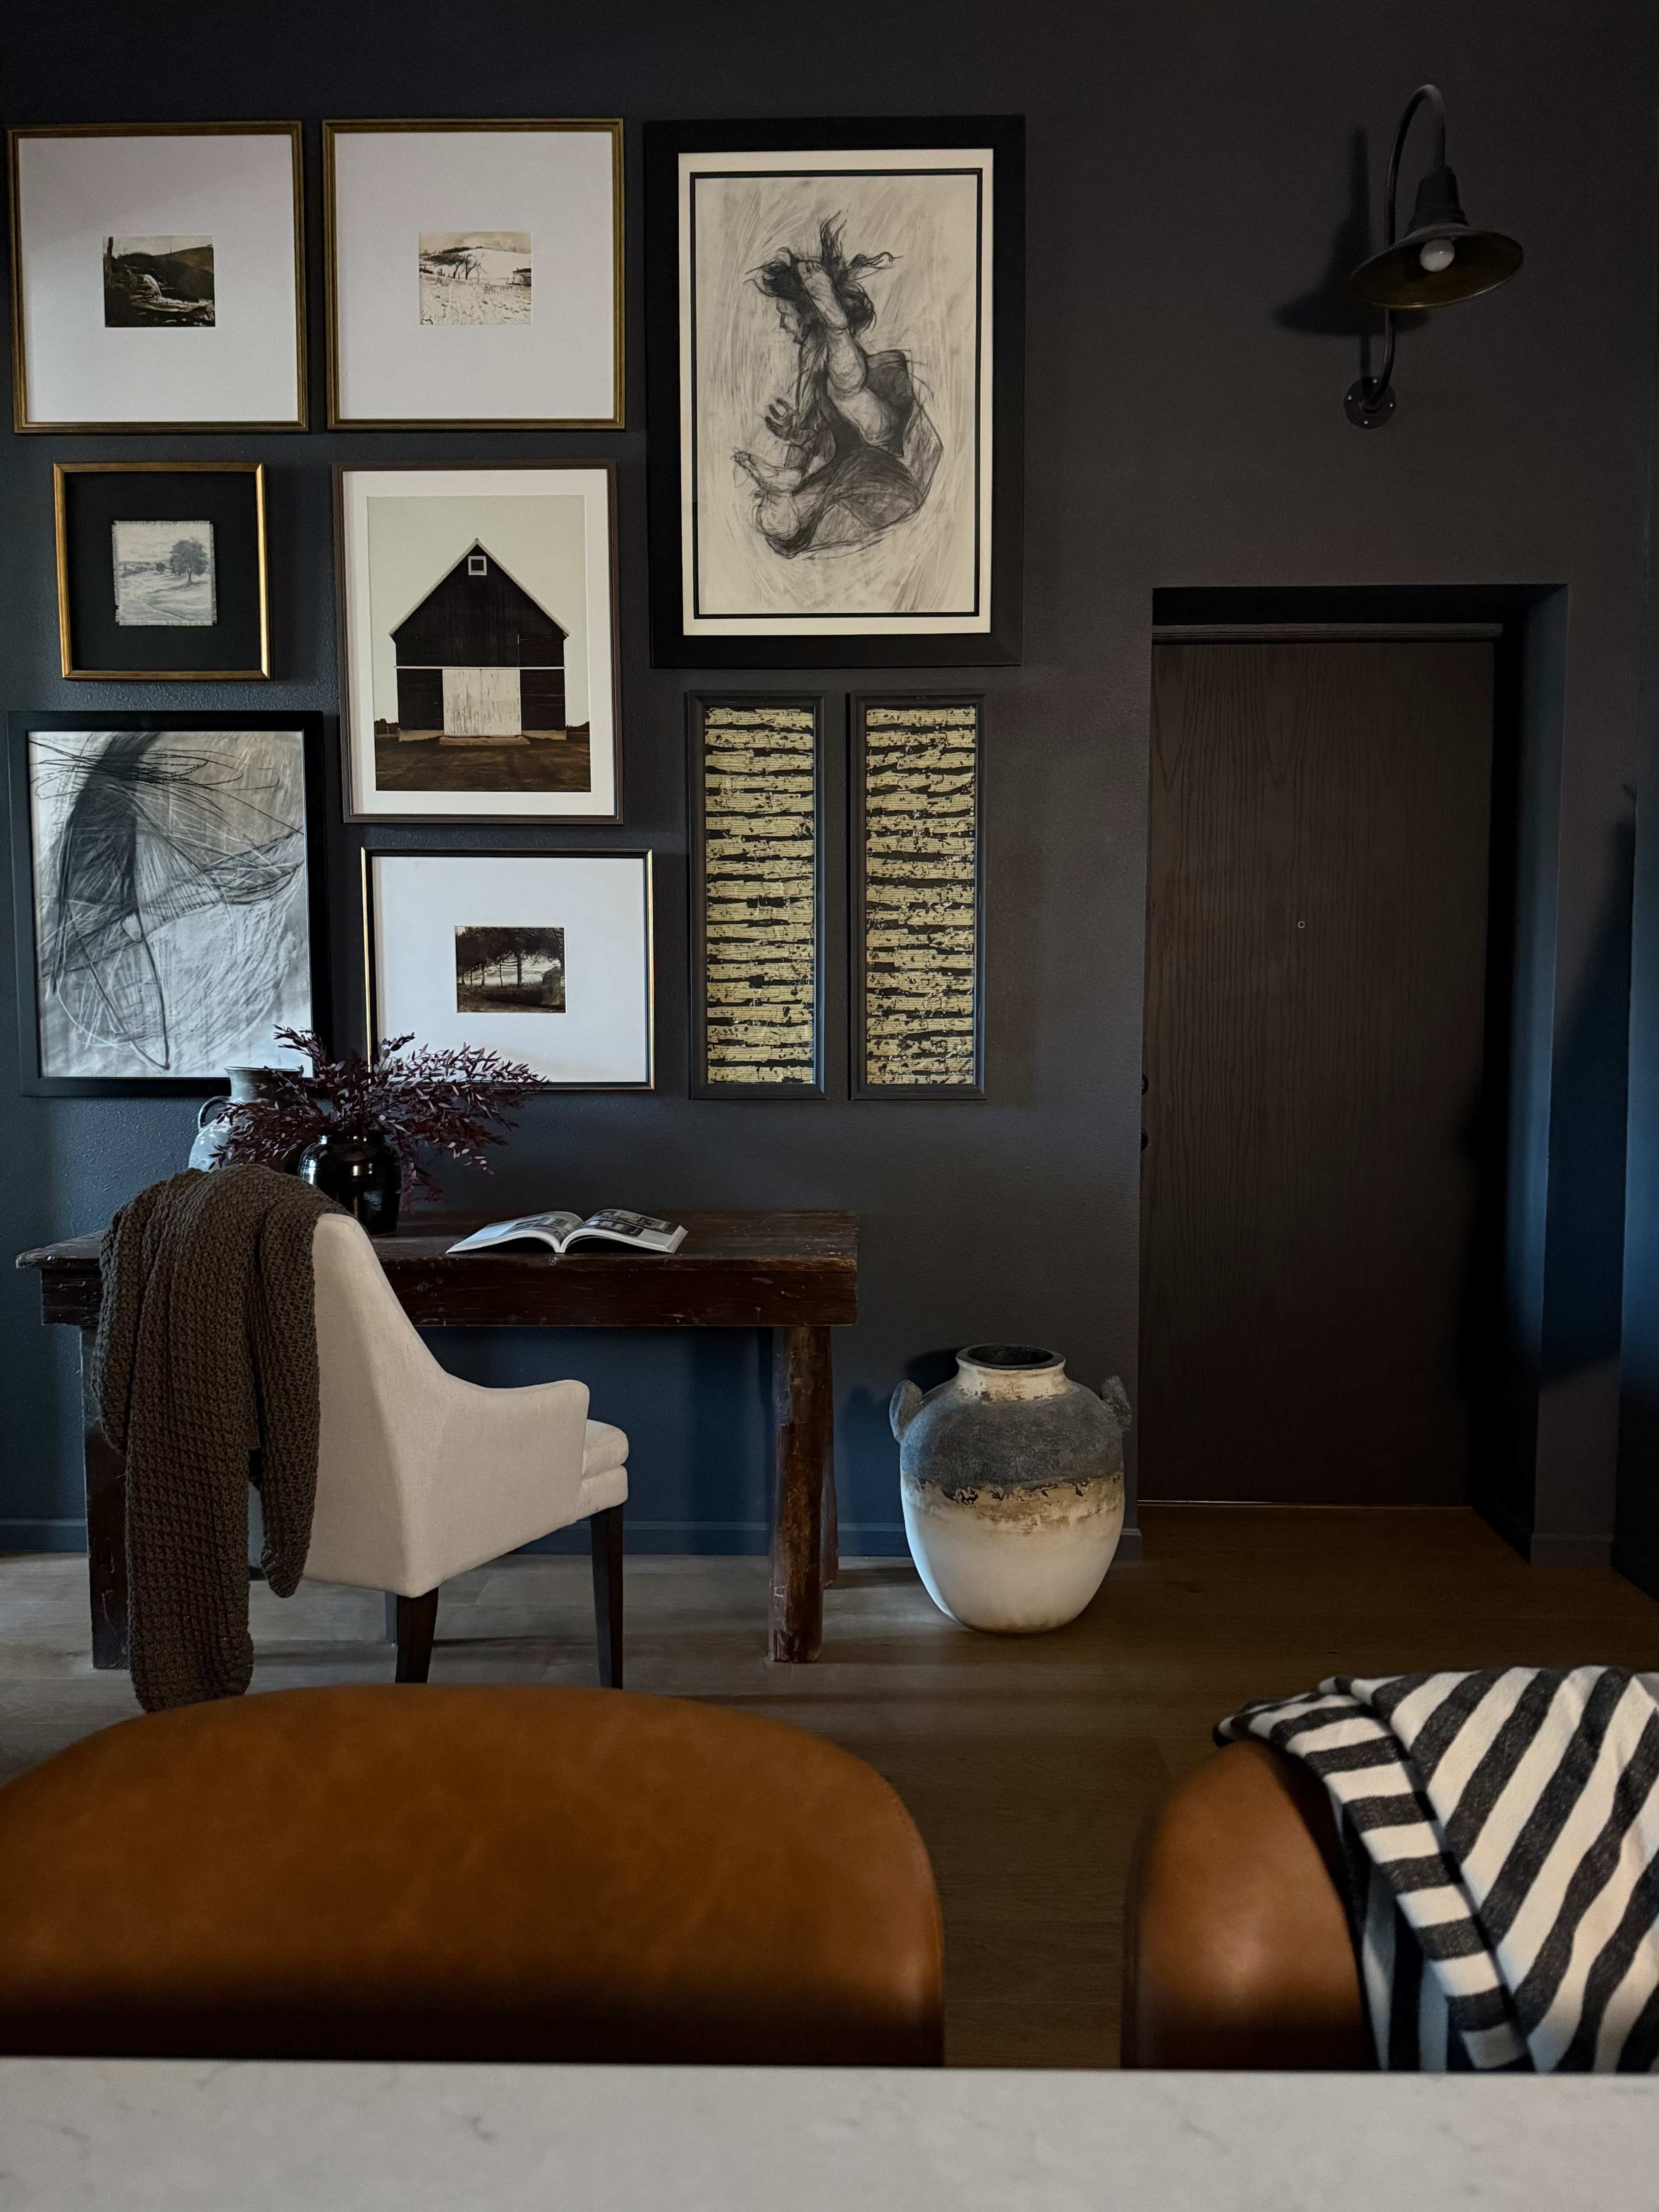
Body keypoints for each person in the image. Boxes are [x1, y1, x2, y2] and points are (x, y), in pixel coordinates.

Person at [734, 216, 942, 560]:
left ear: (808, 315)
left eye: (786, 314)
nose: (783, 324)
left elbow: (852, 389)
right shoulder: (812, 371)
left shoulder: (831, 366)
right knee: (781, 526)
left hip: (895, 443)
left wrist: (835, 325)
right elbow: (820, 434)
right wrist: (795, 433)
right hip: (861, 469)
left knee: (850, 394)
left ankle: (837, 325)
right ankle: (781, 488)